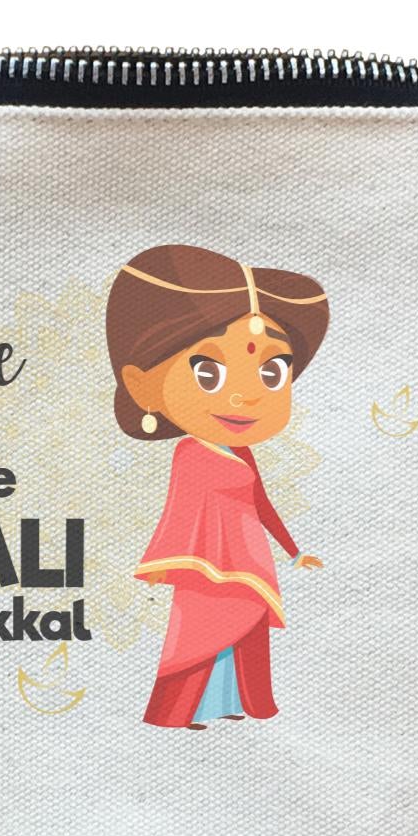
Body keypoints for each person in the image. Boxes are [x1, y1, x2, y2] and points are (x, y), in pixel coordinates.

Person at [106, 244, 330, 729]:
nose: (246, 395)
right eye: (208, 372)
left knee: (244, 633)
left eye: (272, 371)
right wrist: (176, 563)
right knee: (198, 637)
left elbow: (261, 504)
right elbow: (180, 513)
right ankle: (180, 710)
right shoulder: (191, 452)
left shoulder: (243, 453)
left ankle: (229, 701)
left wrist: (294, 552)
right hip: (206, 565)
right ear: (144, 386)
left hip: (249, 560)